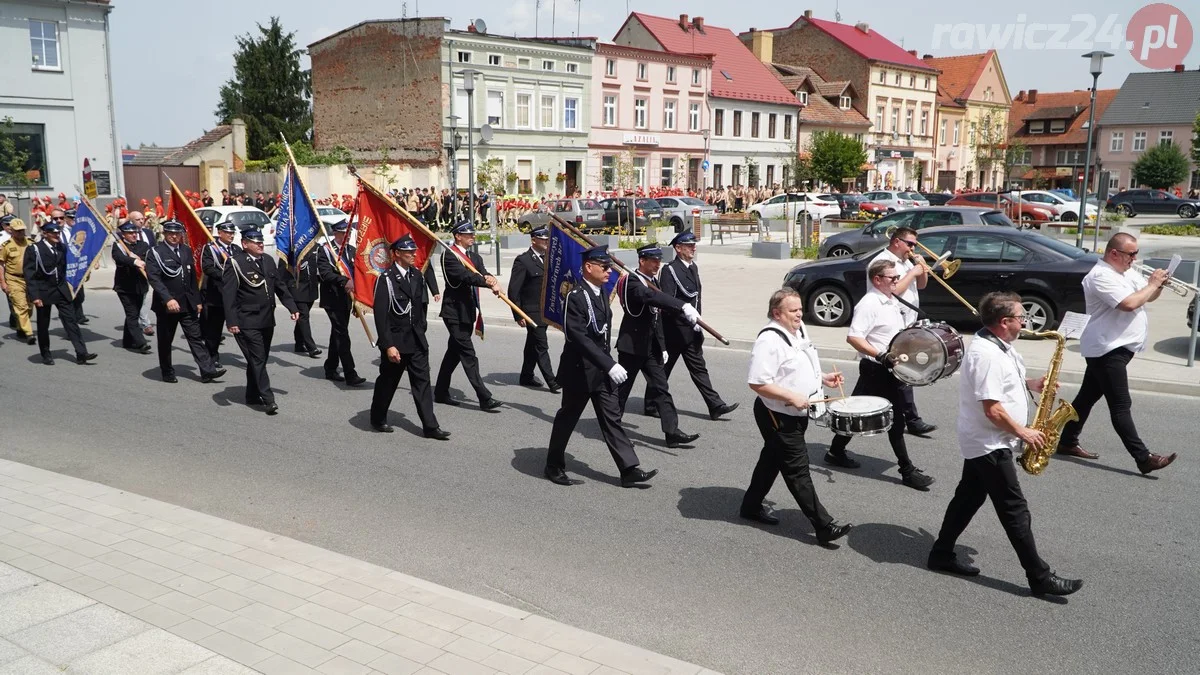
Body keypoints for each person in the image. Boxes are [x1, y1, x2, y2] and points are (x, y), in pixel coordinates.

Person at [928, 291, 1083, 596]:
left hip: (989, 438)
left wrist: (1031, 385)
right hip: (989, 442)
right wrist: (1024, 432)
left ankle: (941, 554)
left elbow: (1002, 385)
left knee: (968, 498)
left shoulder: (1002, 347)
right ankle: (1039, 577)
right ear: (1004, 322)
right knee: (1015, 509)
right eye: (1020, 317)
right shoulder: (986, 354)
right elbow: (992, 409)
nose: (1025, 321)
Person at [1055, 233, 1176, 474]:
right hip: (1107, 349)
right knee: (1121, 405)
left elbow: (1145, 297)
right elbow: (1128, 303)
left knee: (1086, 399)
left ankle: (1067, 442)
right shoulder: (1099, 277)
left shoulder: (1126, 272)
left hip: (1120, 346)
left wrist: (1158, 286)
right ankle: (1144, 458)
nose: (1135, 258)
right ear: (1114, 254)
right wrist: (1152, 284)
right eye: (1131, 254)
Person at [739, 287, 853, 544]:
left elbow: (799, 365)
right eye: (794, 310)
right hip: (777, 414)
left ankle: (750, 506)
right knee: (797, 470)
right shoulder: (769, 341)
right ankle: (824, 526)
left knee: (771, 460)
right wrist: (791, 397)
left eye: (800, 309)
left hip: (797, 413)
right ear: (777, 313)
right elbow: (757, 383)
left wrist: (823, 378)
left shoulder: (798, 329)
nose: (800, 314)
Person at [543, 245, 658, 488]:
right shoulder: (575, 297)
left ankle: (628, 470)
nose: (609, 272)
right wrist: (610, 365)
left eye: (610, 267)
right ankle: (553, 465)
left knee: (611, 418)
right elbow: (579, 337)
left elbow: (601, 335)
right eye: (605, 267)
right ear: (589, 267)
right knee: (568, 418)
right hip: (579, 371)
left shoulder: (602, 294)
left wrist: (607, 365)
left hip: (601, 372)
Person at [825, 259, 935, 490]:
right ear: (877, 280)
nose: (897, 281)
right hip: (878, 368)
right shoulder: (870, 303)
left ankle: (835, 451)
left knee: (855, 409)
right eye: (892, 278)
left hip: (888, 367)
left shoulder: (891, 299)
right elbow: (854, 337)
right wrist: (880, 355)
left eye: (897, 277)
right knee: (896, 419)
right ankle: (907, 470)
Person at [615, 243, 702, 448]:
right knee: (621, 392)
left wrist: (662, 347)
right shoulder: (633, 282)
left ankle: (672, 432)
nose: (657, 265)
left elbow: (657, 319)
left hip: (651, 348)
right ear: (642, 261)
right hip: (632, 347)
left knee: (661, 388)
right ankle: (613, 428)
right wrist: (682, 305)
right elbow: (651, 298)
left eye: (658, 261)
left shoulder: (653, 281)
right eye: (653, 261)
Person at [646, 229, 738, 420]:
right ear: (678, 248)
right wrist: (687, 318)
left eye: (693, 245)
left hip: (692, 331)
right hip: (674, 332)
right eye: (689, 245)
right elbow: (668, 303)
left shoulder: (692, 267)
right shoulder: (670, 271)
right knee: (663, 369)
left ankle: (715, 405)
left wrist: (698, 321)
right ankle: (651, 404)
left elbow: (697, 299)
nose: (693, 248)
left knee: (699, 369)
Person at [369, 235, 451, 439]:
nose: (413, 254)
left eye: (413, 251)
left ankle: (430, 427)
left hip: (416, 341)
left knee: (422, 384)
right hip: (396, 343)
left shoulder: (417, 275)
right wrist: (388, 345)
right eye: (408, 252)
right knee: (388, 383)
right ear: (396, 254)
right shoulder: (386, 279)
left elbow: (419, 310)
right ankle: (378, 417)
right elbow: (381, 316)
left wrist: (421, 331)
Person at [222, 228, 300, 414]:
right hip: (246, 320)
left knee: (260, 359)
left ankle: (251, 394)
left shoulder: (268, 261)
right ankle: (268, 398)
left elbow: (279, 286)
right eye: (255, 242)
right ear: (245, 244)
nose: (260, 244)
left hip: (266, 319)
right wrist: (231, 321)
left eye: (261, 241)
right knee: (257, 359)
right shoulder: (235, 263)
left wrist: (292, 307)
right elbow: (229, 295)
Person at [868, 226, 936, 435]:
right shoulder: (882, 263)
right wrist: (912, 272)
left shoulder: (907, 262)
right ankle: (911, 420)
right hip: (889, 322)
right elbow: (894, 290)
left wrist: (922, 270)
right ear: (897, 241)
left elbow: (922, 286)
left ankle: (908, 418)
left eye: (914, 244)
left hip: (908, 320)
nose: (913, 248)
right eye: (910, 244)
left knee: (899, 374)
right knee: (901, 372)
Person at [146, 220, 226, 384]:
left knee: (195, 338)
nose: (174, 236)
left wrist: (197, 301)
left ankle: (207, 370)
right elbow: (154, 279)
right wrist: (168, 299)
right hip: (167, 305)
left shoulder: (186, 250)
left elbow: (191, 279)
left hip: (187, 303)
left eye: (177, 233)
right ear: (164, 233)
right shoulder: (155, 252)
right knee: (166, 340)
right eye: (170, 233)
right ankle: (167, 371)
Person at [435, 221, 502, 411]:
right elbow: (465, 277)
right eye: (469, 234)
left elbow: (482, 273)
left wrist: (492, 279)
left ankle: (440, 392)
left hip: (468, 312)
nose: (473, 237)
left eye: (473, 234)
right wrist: (487, 283)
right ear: (458, 236)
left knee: (453, 354)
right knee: (468, 355)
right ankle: (484, 397)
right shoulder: (450, 256)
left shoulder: (474, 256)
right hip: (454, 312)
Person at [22, 221, 95, 365]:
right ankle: (46, 354)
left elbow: (72, 263)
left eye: (58, 232)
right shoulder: (34, 249)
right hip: (43, 291)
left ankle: (81, 353)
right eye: (53, 233)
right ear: (45, 234)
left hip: (61, 290)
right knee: (43, 325)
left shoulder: (62, 247)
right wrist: (35, 296)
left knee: (71, 322)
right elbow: (29, 274)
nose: (57, 235)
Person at [507, 226, 559, 392]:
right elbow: (513, 290)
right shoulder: (523, 260)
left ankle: (526, 375)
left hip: (545, 310)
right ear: (533, 240)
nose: (546, 242)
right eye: (542, 239)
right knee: (541, 345)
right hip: (531, 311)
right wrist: (518, 314)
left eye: (547, 239)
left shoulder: (548, 259)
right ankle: (552, 381)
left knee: (532, 344)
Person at [315, 220, 365, 386]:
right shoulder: (326, 250)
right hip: (333, 299)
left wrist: (358, 300)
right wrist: (343, 281)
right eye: (344, 233)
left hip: (347, 299)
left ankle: (330, 367)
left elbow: (357, 274)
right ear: (335, 233)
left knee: (337, 333)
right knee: (342, 334)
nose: (347, 235)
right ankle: (350, 373)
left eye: (349, 233)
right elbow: (325, 274)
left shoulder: (351, 251)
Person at [200, 222, 239, 366]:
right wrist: (227, 276)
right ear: (220, 233)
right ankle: (212, 357)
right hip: (217, 295)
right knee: (214, 331)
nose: (231, 235)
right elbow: (208, 268)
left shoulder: (236, 249)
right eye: (227, 232)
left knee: (240, 328)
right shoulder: (211, 248)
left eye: (232, 232)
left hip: (235, 296)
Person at [110, 222, 152, 353]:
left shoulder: (143, 245)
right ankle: (141, 343)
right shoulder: (118, 246)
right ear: (123, 235)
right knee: (132, 314)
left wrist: (136, 257)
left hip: (140, 286)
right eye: (130, 233)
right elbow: (119, 258)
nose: (134, 235)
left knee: (134, 312)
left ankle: (127, 341)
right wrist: (133, 260)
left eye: (135, 232)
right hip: (125, 287)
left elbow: (146, 257)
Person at [0, 218, 35, 344]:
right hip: (14, 279)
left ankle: (21, 327)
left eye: (22, 230)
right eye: (18, 231)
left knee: (30, 307)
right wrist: (3, 283)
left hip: (30, 279)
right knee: (21, 306)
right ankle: (29, 333)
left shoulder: (31, 243)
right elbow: (1, 265)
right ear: (12, 231)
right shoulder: (6, 246)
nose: (21, 233)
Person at [287, 247, 322, 358]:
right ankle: (311, 348)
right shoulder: (292, 250)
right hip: (298, 289)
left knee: (303, 317)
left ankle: (299, 343)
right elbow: (284, 272)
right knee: (304, 316)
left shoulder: (315, 248)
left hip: (311, 290)